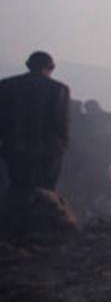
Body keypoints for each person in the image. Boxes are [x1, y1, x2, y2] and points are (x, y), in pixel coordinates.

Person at [0, 52, 71, 227]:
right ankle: (41, 228)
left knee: (18, 188)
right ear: (51, 68)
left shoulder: (7, 86)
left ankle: (12, 227)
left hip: (15, 149)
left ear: (28, 65)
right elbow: (61, 122)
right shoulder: (59, 89)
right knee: (45, 192)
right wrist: (62, 145)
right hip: (48, 151)